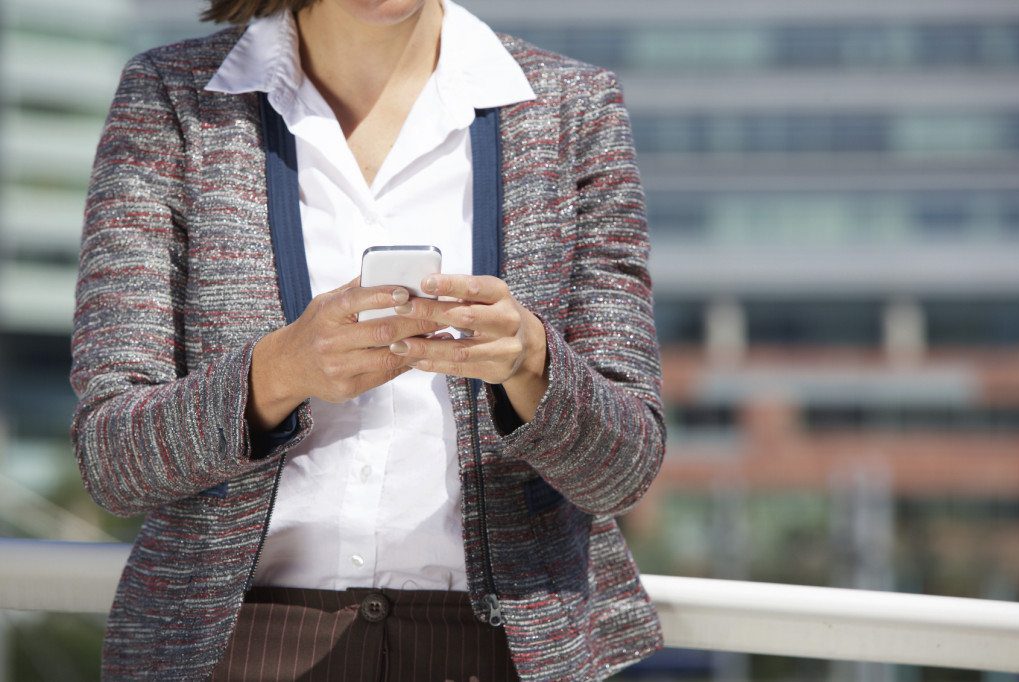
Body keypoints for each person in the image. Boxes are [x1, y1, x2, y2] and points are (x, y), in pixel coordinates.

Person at [70, 0, 665, 678]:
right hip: (241, 647)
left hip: (498, 652)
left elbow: (627, 466)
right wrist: (278, 374)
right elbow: (111, 458)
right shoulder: (171, 101)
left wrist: (532, 362)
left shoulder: (572, 110)